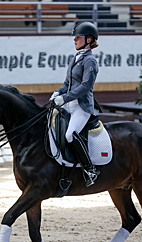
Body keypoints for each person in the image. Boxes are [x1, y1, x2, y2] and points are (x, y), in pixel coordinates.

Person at [49, 22, 100, 187]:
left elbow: (85, 87)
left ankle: (90, 169)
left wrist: (65, 98)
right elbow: (67, 83)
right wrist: (58, 92)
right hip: (69, 103)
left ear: (88, 39)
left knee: (70, 135)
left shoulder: (90, 61)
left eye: (78, 37)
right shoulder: (76, 58)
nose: (75, 40)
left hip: (81, 106)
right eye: (75, 37)